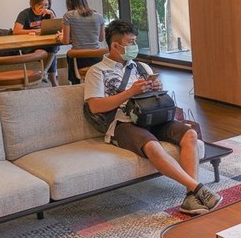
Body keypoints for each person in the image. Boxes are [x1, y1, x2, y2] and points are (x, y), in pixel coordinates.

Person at [84, 19, 221, 215]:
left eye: (134, 41)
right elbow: (95, 106)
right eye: (130, 42)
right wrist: (130, 92)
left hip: (152, 117)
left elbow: (154, 97)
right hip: (123, 123)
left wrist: (156, 88)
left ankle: (190, 196)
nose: (134, 45)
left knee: (190, 135)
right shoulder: (97, 71)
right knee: (152, 145)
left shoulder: (142, 67)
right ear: (115, 46)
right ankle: (198, 189)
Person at [13, 0, 61, 86]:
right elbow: (16, 31)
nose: (43, 8)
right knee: (50, 53)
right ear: (33, 4)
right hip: (29, 46)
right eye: (40, 5)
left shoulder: (49, 13)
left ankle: (44, 73)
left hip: (44, 44)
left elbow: (57, 28)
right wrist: (34, 31)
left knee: (55, 46)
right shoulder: (25, 14)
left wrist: (52, 15)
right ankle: (53, 82)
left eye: (46, 5)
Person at [61, 0, 105, 84]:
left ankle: (76, 85)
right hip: (97, 57)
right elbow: (101, 38)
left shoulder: (69, 15)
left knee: (70, 54)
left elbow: (65, 41)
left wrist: (60, 36)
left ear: (69, 3)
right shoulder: (98, 16)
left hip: (79, 58)